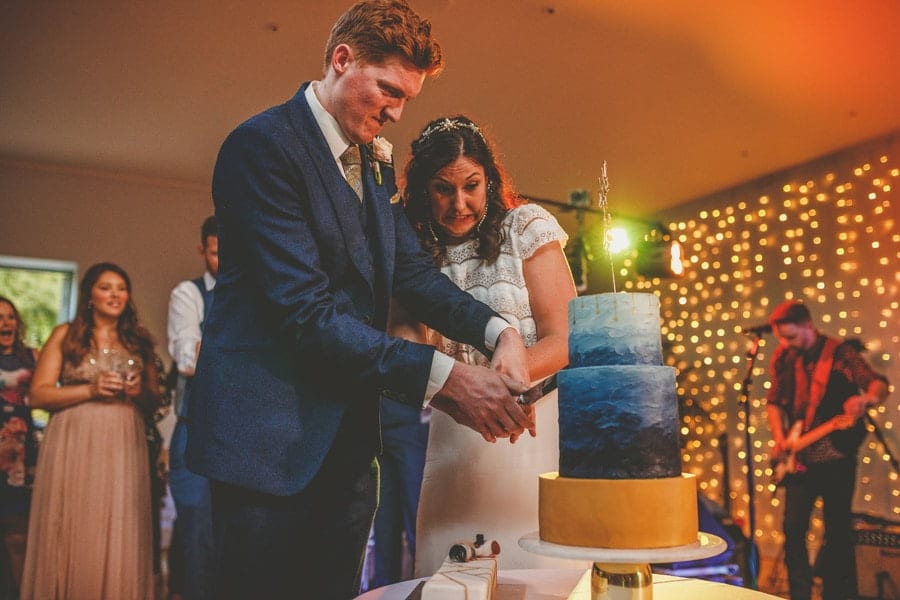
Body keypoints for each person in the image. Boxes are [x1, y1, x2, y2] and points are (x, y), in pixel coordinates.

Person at [184, 2, 533, 599]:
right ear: (342, 60)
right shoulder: (262, 146)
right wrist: (447, 379)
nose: (397, 113)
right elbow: (306, 315)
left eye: (406, 100)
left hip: (348, 455)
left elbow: (414, 276)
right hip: (267, 449)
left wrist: (499, 331)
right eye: (388, 91)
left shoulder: (372, 162)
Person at [398, 115, 578, 575]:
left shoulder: (525, 226)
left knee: (535, 565)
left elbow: (564, 337)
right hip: (452, 428)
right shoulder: (411, 252)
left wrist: (503, 387)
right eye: (443, 189)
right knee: (451, 567)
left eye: (472, 186)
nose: (460, 204)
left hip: (532, 425)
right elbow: (405, 341)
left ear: (490, 181)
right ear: (422, 190)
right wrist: (463, 389)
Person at [21, 262, 161, 599]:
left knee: (118, 521)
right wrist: (90, 390)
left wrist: (138, 390)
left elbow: (154, 400)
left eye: (121, 288)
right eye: (105, 287)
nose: (115, 294)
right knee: (74, 521)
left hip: (124, 439)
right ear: (89, 296)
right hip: (74, 438)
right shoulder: (66, 335)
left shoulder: (140, 341)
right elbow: (37, 394)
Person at [764, 299, 889, 600]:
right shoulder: (784, 356)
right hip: (799, 458)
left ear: (808, 326)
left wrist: (865, 401)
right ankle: (800, 594)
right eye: (782, 338)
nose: (787, 344)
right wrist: (781, 438)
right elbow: (774, 402)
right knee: (793, 529)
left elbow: (877, 385)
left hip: (836, 456)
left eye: (792, 337)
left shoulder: (840, 354)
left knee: (837, 531)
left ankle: (837, 594)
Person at [165, 215, 218, 600]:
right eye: (217, 253)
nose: (226, 260)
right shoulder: (189, 293)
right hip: (194, 429)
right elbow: (188, 358)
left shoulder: (257, 292)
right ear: (203, 250)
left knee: (234, 534)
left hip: (241, 433)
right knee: (197, 530)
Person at [0, 296, 39, 596]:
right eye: (0, 317)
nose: (5, 323)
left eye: (11, 317)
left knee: (18, 537)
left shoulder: (33, 358)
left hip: (22, 456)